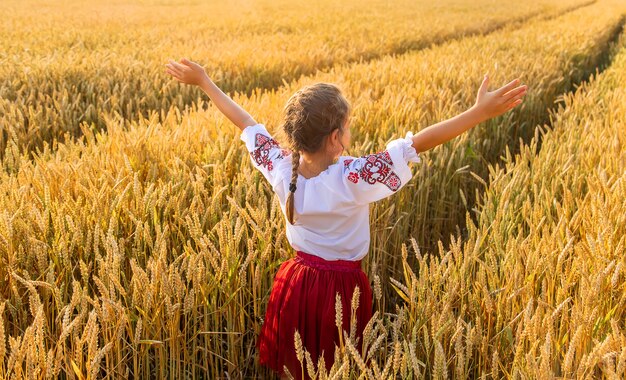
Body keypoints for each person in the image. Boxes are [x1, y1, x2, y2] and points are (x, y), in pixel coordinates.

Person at [165, 58, 527, 379]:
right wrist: (478, 112)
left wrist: (205, 82)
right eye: (347, 127)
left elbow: (246, 124)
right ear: (336, 138)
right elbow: (416, 144)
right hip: (341, 292)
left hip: (296, 282)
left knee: (297, 366)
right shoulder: (352, 177)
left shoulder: (280, 166)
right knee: (339, 365)